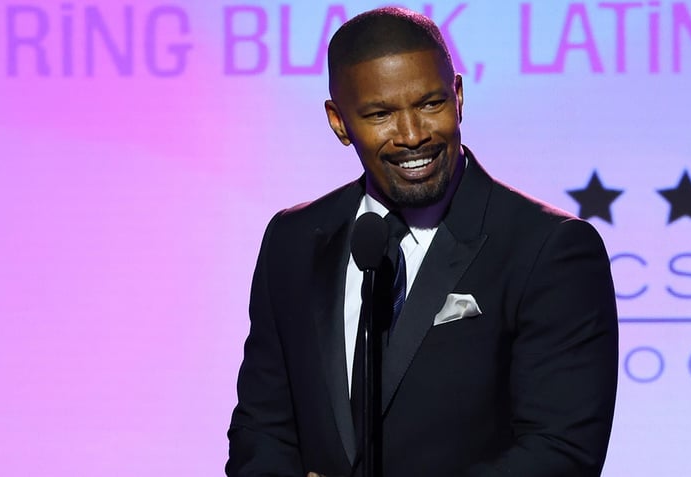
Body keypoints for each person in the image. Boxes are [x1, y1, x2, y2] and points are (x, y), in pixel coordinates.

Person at [226, 7, 618, 477]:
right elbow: (261, 429)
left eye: (430, 104)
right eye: (381, 114)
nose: (412, 135)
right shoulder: (293, 241)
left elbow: (560, 454)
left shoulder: (549, 249)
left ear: (457, 95)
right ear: (339, 122)